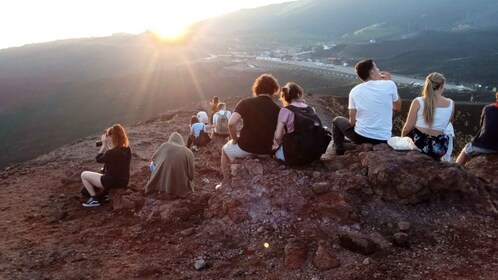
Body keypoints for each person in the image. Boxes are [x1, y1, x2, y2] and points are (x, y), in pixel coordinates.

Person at [332, 59, 402, 155]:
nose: (379, 70)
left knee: (337, 120)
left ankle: (339, 150)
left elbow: (352, 121)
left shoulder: (354, 91)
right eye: (376, 68)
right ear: (372, 72)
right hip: (384, 139)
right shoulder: (389, 84)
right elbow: (397, 107)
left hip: (361, 138)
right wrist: (390, 81)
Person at [220, 74, 280, 179]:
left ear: (256, 88)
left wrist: (234, 139)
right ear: (273, 90)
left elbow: (231, 123)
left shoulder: (246, 102)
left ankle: (226, 181)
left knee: (224, 150)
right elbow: (278, 135)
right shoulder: (277, 109)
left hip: (244, 147)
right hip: (264, 152)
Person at [401, 72, 454, 161]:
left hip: (418, 144)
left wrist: (401, 141)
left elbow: (407, 128)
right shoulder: (451, 104)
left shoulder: (418, 101)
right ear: (441, 87)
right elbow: (445, 125)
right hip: (438, 148)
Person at [274, 82, 330, 165]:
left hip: (294, 156)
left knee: (276, 153)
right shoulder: (311, 109)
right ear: (299, 94)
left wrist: (281, 145)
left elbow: (278, 136)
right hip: (314, 155)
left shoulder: (285, 110)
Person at [81, 124, 131, 207]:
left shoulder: (111, 153)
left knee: (84, 174)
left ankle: (94, 199)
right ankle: (105, 194)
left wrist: (104, 145)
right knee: (104, 172)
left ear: (112, 137)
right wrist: (108, 145)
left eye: (109, 136)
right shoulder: (127, 149)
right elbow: (114, 154)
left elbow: (98, 159)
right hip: (124, 181)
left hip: (110, 182)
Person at [145, 132, 195, 198]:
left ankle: (160, 184)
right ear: (181, 141)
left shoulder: (164, 146)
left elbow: (153, 161)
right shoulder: (188, 152)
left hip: (160, 186)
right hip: (180, 189)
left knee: (153, 167)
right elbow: (191, 175)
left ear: (170, 140)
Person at [456, 92, 498, 165]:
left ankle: (455, 169)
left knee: (465, 151)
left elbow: (482, 125)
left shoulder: (488, 108)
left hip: (484, 146)